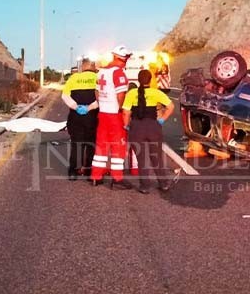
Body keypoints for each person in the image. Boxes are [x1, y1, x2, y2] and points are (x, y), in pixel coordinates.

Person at [122, 69, 175, 194]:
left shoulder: (131, 93)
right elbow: (170, 107)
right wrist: (161, 120)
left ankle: (145, 186)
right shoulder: (156, 93)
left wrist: (126, 125)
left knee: (141, 158)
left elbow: (126, 112)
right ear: (150, 80)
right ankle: (164, 184)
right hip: (153, 126)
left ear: (138, 80)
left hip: (136, 127)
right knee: (156, 157)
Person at [91, 45, 133, 189]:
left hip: (102, 113)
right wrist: (121, 109)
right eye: (126, 58)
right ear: (122, 58)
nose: (126, 61)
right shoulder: (119, 72)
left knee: (101, 146)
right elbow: (121, 94)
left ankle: (96, 176)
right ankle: (117, 179)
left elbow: (96, 93)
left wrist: (102, 104)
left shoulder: (102, 72)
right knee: (118, 147)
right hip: (114, 115)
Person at [61, 58, 99, 180]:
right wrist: (89, 108)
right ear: (93, 67)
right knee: (91, 144)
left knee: (76, 143)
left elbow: (65, 95)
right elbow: (102, 97)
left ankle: (73, 171)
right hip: (92, 116)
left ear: (82, 67)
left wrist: (76, 107)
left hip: (75, 116)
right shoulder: (97, 78)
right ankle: (88, 170)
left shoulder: (73, 78)